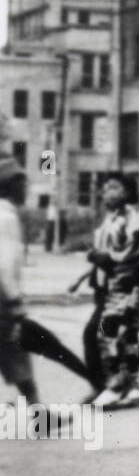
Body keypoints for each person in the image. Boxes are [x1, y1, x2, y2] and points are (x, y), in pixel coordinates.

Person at [83, 173, 139, 410]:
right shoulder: (111, 218)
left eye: (113, 187)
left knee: (108, 331)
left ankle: (115, 386)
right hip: (116, 282)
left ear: (125, 192)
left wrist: (105, 257)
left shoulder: (131, 216)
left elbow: (134, 247)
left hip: (130, 282)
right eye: (105, 187)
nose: (106, 191)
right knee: (127, 334)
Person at [0, 158, 41, 412]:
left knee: (16, 354)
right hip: (2, 300)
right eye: (23, 184)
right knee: (15, 351)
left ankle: (40, 415)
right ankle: (40, 417)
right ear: (10, 186)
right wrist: (15, 302)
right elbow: (3, 264)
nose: (26, 190)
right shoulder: (6, 218)